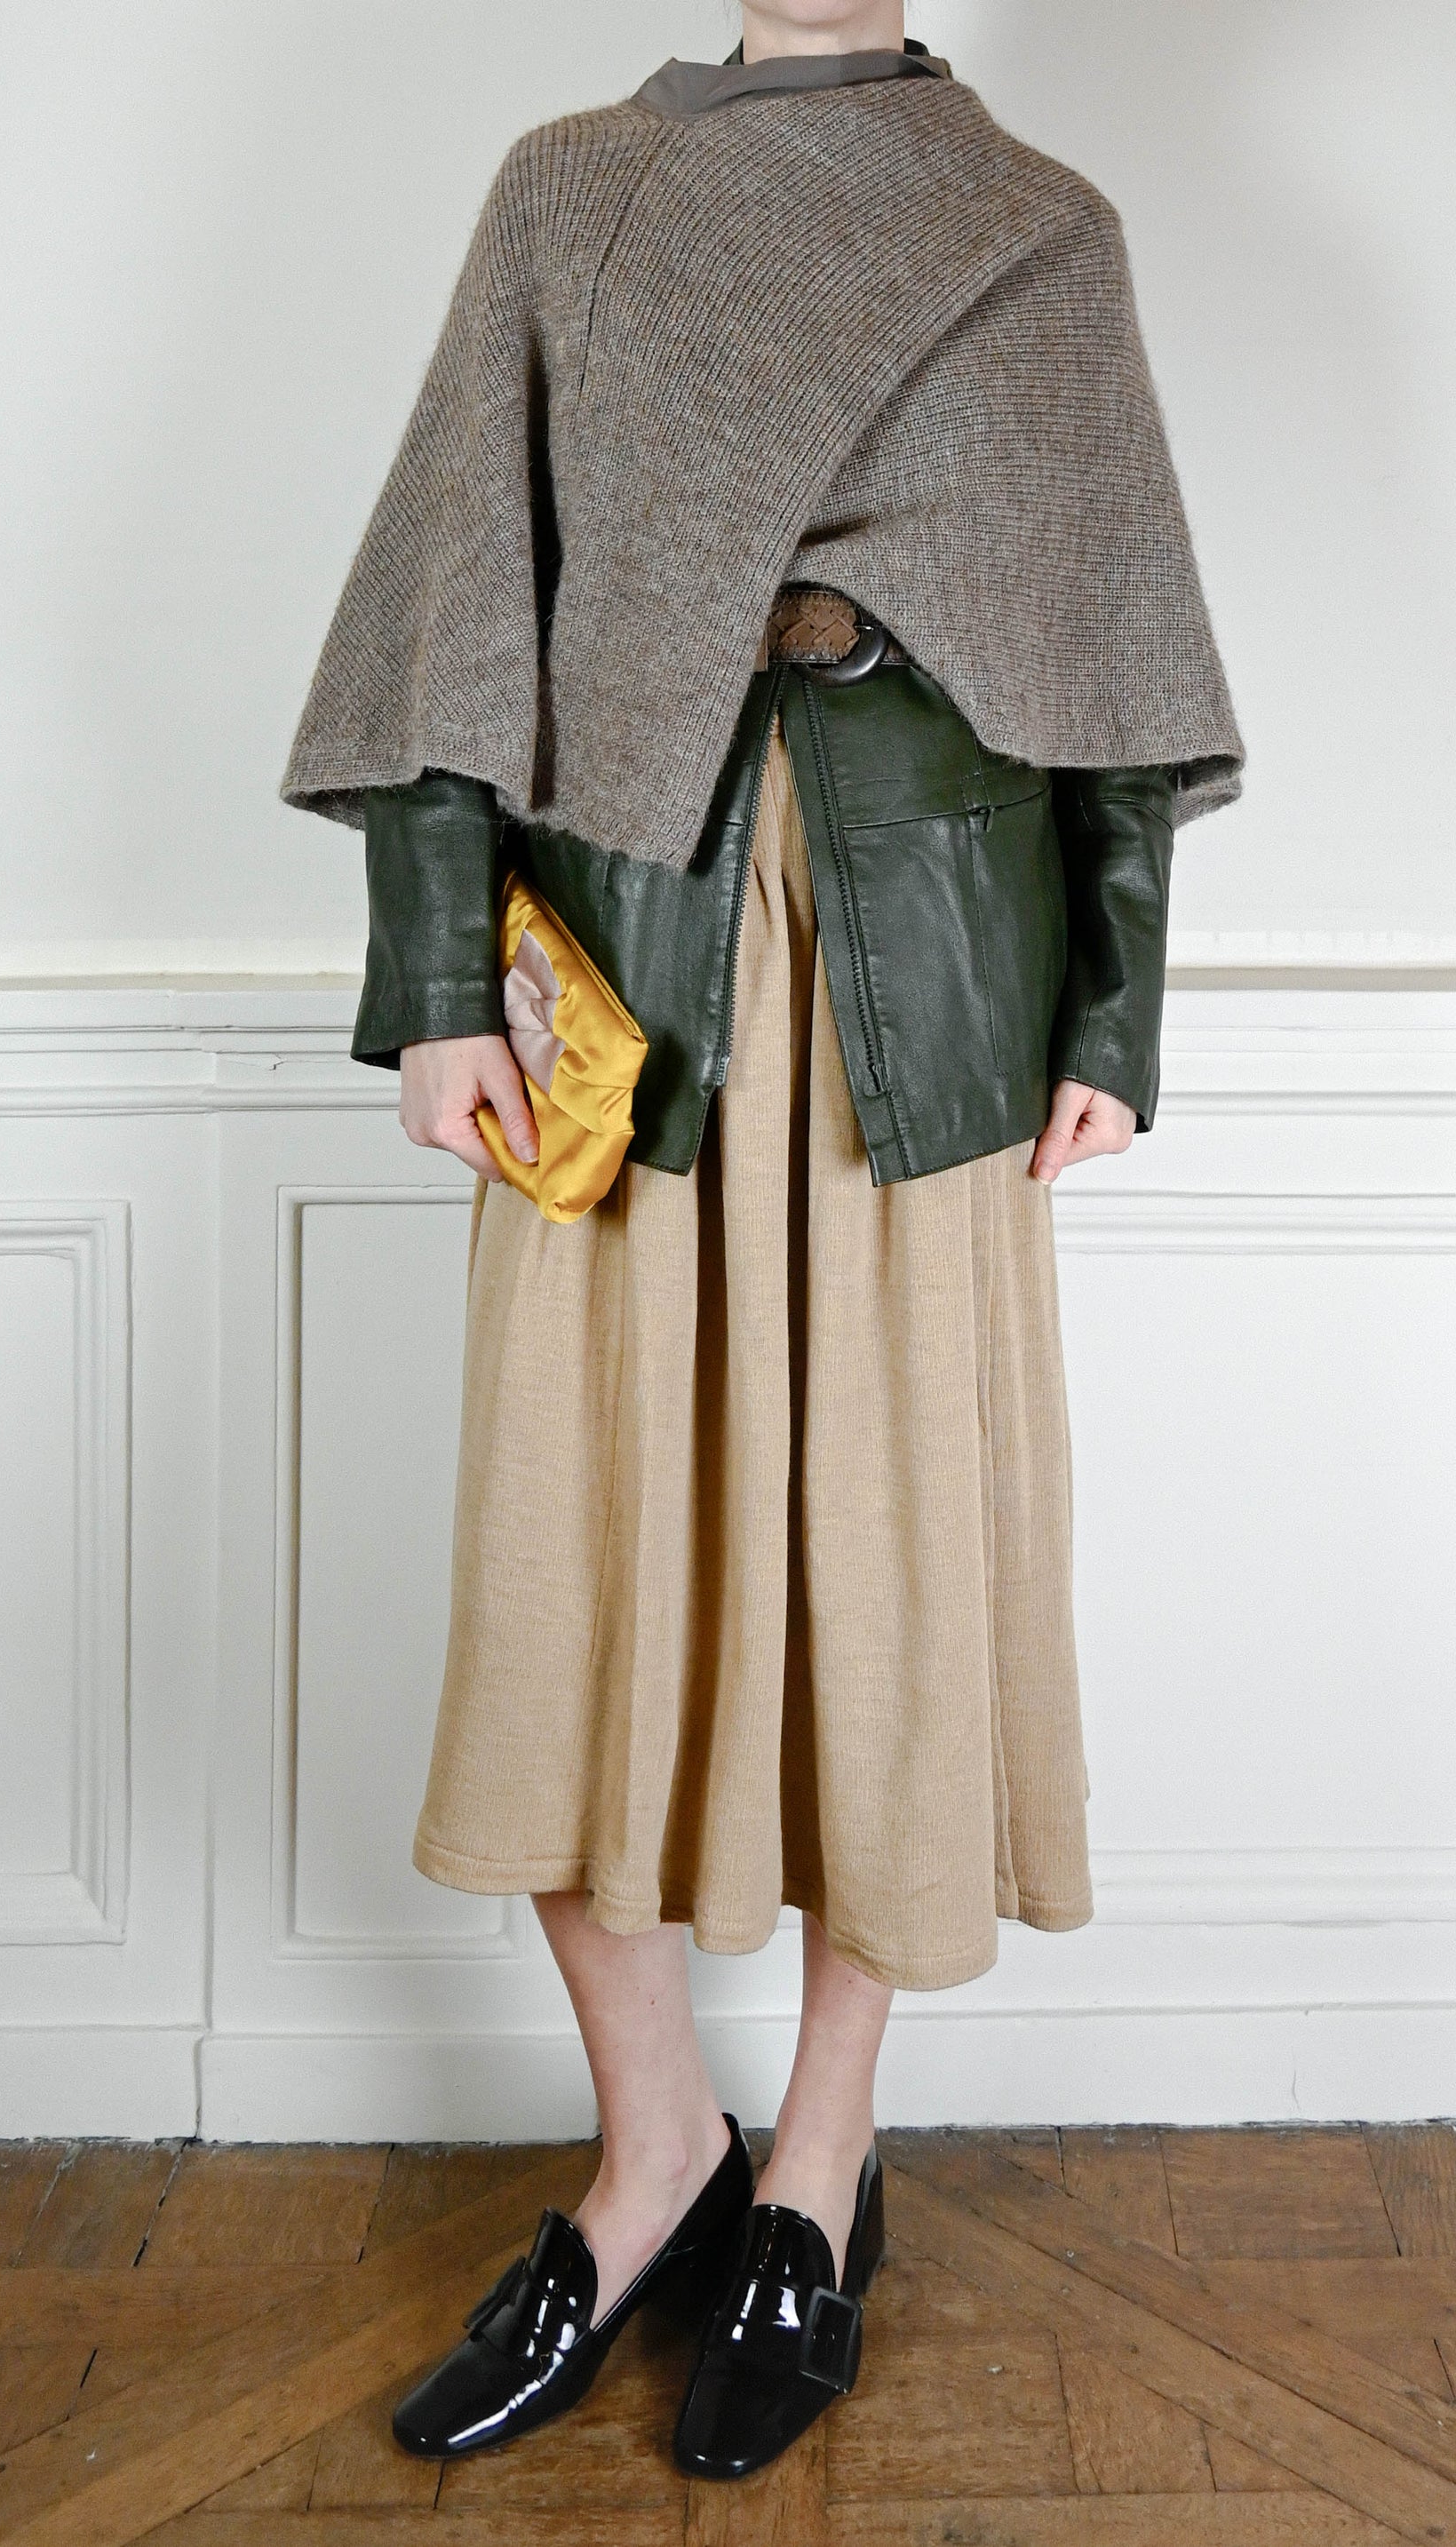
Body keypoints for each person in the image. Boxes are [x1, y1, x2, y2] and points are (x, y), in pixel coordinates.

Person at [282, 0, 1242, 2486]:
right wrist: (432, 984)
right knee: (570, 1574)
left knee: (888, 1594)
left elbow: (1118, 677)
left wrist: (1112, 1017)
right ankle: (653, 2160)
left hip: (936, 994)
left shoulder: (1043, 229)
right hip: (626, 971)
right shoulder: (567, 193)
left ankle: (817, 2167)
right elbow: (455, 604)